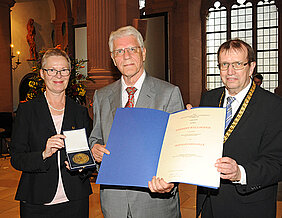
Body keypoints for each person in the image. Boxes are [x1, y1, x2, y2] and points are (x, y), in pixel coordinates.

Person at [89, 26, 184, 218]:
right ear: (113, 59)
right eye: (119, 51)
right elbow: (95, 137)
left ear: (143, 53)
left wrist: (171, 182)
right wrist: (95, 149)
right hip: (114, 203)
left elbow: (179, 149)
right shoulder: (102, 96)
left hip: (154, 202)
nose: (126, 56)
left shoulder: (168, 93)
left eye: (132, 49)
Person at [184, 39, 282, 217]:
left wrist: (240, 173)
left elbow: (277, 163)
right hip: (209, 204)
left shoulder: (273, 106)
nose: (230, 72)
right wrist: (188, 127)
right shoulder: (209, 99)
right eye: (224, 65)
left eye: (238, 64)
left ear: (251, 67)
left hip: (249, 207)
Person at [10, 48, 93, 218]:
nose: (58, 75)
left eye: (63, 70)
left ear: (70, 74)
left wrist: (82, 167)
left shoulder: (80, 112)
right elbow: (16, 158)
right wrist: (43, 154)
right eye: (52, 70)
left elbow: (89, 156)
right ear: (42, 73)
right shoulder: (27, 111)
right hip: (37, 201)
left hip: (75, 200)